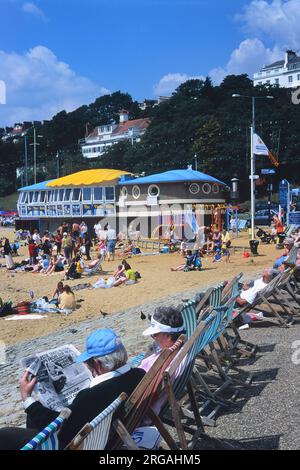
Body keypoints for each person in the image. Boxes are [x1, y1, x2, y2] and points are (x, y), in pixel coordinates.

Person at [0, 329, 145, 449]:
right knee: (33, 414)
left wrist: (27, 398)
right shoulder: (139, 375)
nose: (87, 366)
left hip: (75, 444)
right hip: (111, 431)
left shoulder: (90, 396)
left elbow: (61, 429)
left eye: (88, 362)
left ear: (98, 364)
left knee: (4, 434)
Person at [139, 306, 185, 416]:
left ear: (169, 336)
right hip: (163, 398)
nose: (153, 338)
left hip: (145, 412)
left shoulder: (158, 364)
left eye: (155, 334)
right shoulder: (182, 349)